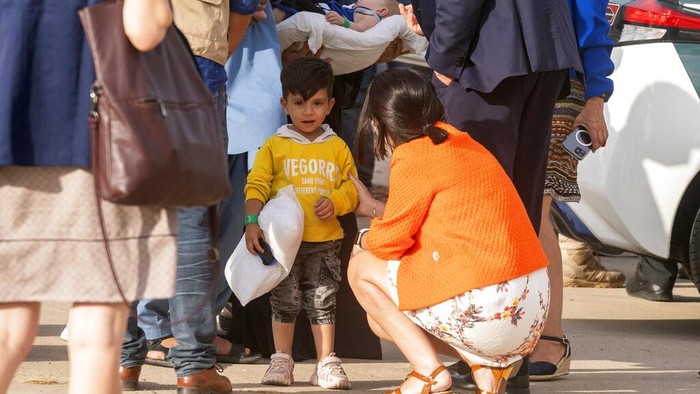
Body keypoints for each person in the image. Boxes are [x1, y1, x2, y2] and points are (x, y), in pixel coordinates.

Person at [0, 1, 176, 393]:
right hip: (101, 140)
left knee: (8, 326)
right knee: (98, 326)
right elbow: (145, 27)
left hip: (9, 131)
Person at [405, 0, 582, 389]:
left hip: (488, 56)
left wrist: (443, 56)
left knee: (480, 212)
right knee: (518, 206)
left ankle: (491, 362)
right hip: (535, 48)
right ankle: (509, 365)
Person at [349, 68, 551, 394]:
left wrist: (363, 237)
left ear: (379, 122)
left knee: (361, 269)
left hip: (492, 308)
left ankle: (429, 374)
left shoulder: (413, 155)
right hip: (531, 313)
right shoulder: (463, 141)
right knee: (380, 319)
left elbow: (390, 243)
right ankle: (485, 370)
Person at [119, 1, 261, 392]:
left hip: (120, 66)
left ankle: (120, 357)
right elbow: (243, 11)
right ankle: (194, 365)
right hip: (193, 72)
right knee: (192, 220)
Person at [244, 57, 359, 389]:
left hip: (326, 241)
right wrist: (252, 221)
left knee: (323, 298)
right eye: (299, 103)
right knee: (285, 300)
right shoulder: (274, 146)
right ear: (284, 104)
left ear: (330, 104)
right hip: (283, 244)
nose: (308, 111)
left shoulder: (337, 147)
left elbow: (352, 189)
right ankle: (282, 360)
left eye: (317, 103)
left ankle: (326, 362)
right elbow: (256, 185)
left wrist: (337, 201)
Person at [529, 0, 617, 381]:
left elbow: (592, 25)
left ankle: (551, 336)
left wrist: (596, 98)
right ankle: (517, 331)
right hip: (503, 81)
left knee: (536, 208)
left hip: (562, 88)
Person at [273, 0, 401, 32]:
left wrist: (343, 22)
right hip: (328, 8)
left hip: (329, 15)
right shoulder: (357, 9)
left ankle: (276, 18)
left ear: (381, 10)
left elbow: (360, 28)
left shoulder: (371, 15)